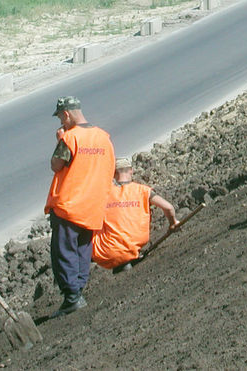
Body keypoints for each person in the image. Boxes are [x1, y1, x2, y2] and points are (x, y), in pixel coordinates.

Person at [46, 96, 116, 316]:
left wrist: (60, 140)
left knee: (64, 252)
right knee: (83, 250)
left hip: (69, 205)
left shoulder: (70, 137)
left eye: (60, 118)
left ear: (66, 114)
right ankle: (78, 292)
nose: (60, 123)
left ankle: (72, 297)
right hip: (93, 206)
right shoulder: (104, 138)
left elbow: (56, 165)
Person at [91, 158, 179, 273]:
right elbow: (168, 207)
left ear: (113, 174)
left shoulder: (104, 194)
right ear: (131, 170)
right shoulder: (143, 191)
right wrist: (173, 223)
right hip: (134, 245)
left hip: (107, 253)